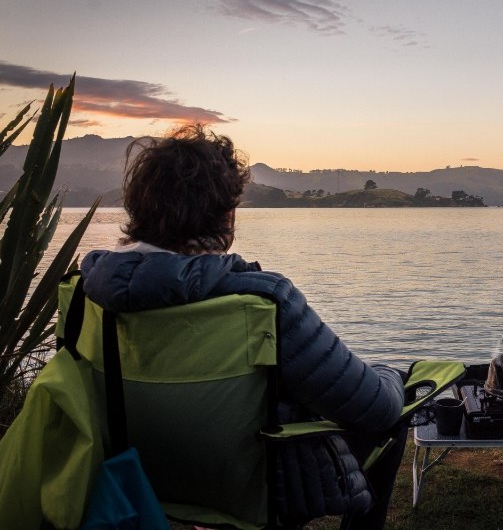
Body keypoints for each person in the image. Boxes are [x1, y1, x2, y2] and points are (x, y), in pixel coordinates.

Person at [80, 124, 407, 530]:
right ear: (226, 215)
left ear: (139, 212)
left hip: (133, 476)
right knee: (394, 406)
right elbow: (376, 408)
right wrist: (391, 373)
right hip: (255, 489)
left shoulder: (87, 295)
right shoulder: (262, 301)